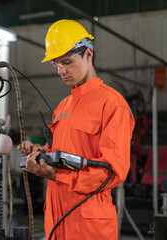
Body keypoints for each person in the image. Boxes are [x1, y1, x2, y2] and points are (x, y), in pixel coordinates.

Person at [18, 19, 135, 240]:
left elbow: (113, 171)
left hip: (89, 226)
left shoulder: (112, 103)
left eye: (67, 62)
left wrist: (56, 175)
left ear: (88, 54)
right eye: (56, 64)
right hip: (56, 221)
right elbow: (61, 152)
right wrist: (40, 153)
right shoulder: (63, 107)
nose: (61, 71)